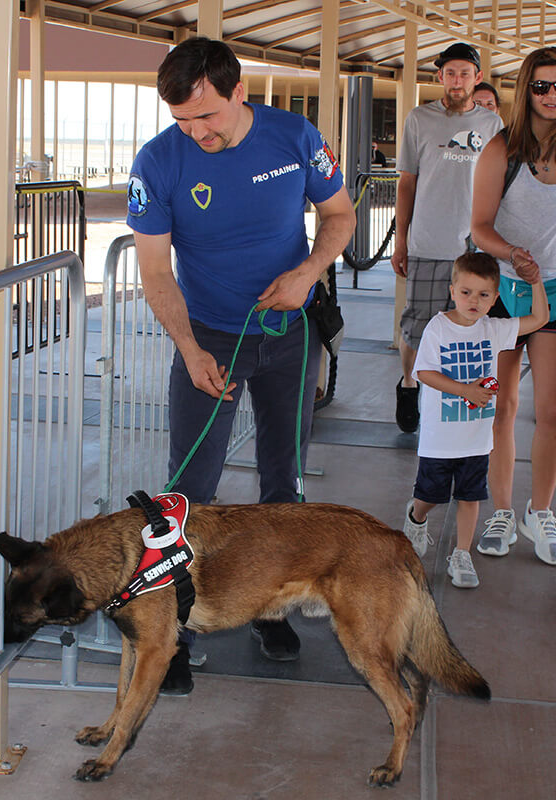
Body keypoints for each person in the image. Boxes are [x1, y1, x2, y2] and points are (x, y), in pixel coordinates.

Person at [127, 37, 357, 691]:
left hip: (289, 336)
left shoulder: (294, 137)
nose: (196, 132)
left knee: (283, 487)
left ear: (239, 94)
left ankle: (269, 608)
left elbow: (338, 215)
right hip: (208, 338)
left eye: (208, 117)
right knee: (188, 493)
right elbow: (152, 270)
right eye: (183, 122)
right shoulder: (158, 162)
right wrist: (189, 350)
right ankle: (169, 632)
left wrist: (309, 270)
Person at [470, 46, 556, 566]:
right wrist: (513, 256)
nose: (552, 96)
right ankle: (502, 511)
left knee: (552, 413)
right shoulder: (501, 150)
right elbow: (480, 225)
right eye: (541, 86)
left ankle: (540, 511)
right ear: (526, 89)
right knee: (501, 408)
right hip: (503, 292)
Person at [402, 252, 548, 588]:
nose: (474, 301)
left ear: (495, 298)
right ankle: (417, 515)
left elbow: (540, 318)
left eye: (484, 295)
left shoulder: (493, 329)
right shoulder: (438, 327)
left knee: (470, 496)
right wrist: (465, 390)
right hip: (440, 439)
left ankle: (462, 554)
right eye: (466, 292)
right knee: (432, 495)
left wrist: (536, 281)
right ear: (452, 290)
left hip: (477, 439)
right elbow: (423, 372)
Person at [392, 43, 504, 434]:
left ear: (477, 77)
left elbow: (502, 187)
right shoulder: (419, 119)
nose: (457, 80)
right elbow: (406, 183)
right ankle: (408, 385)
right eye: (450, 73)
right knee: (418, 325)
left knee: (471, 327)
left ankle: (458, 394)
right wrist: (400, 240)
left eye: (465, 73)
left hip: (474, 246)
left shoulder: (492, 126)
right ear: (440, 77)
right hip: (427, 241)